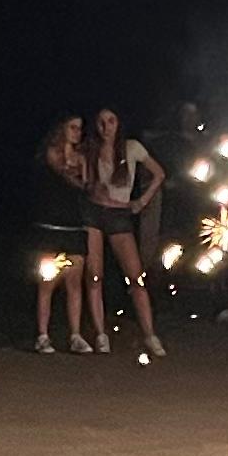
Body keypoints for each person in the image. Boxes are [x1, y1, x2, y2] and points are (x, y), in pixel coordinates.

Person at [87, 106, 165, 357]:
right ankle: (101, 334)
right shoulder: (91, 149)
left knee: (136, 277)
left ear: (118, 123)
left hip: (119, 215)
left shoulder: (131, 147)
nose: (106, 127)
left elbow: (159, 174)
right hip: (95, 214)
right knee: (94, 276)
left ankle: (150, 335)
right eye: (101, 122)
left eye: (110, 121)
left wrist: (141, 201)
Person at [32, 115, 101, 352]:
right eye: (72, 127)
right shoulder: (52, 152)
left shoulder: (81, 157)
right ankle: (42, 335)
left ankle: (75, 335)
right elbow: (67, 176)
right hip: (51, 226)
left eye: (80, 129)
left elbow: (89, 183)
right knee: (48, 281)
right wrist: (79, 178)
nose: (77, 132)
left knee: (74, 282)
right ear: (61, 128)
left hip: (74, 225)